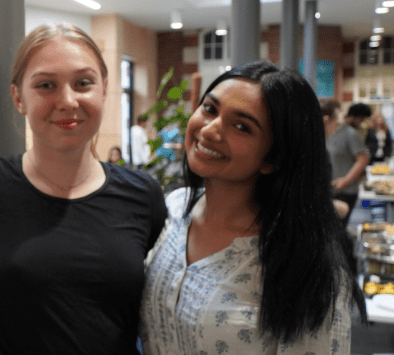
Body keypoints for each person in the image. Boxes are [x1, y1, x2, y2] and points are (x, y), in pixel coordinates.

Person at [0, 23, 168, 355]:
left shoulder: (143, 196)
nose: (67, 101)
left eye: (84, 83)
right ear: (19, 98)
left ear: (105, 89)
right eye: (46, 85)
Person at [140, 61, 365, 354]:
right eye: (209, 108)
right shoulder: (172, 209)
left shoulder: (305, 265)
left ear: (273, 159)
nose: (210, 130)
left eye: (241, 127)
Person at [326, 102, 370, 226]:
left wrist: (345, 180)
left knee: (337, 228)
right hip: (329, 189)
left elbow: (363, 159)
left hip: (345, 190)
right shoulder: (327, 133)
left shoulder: (350, 133)